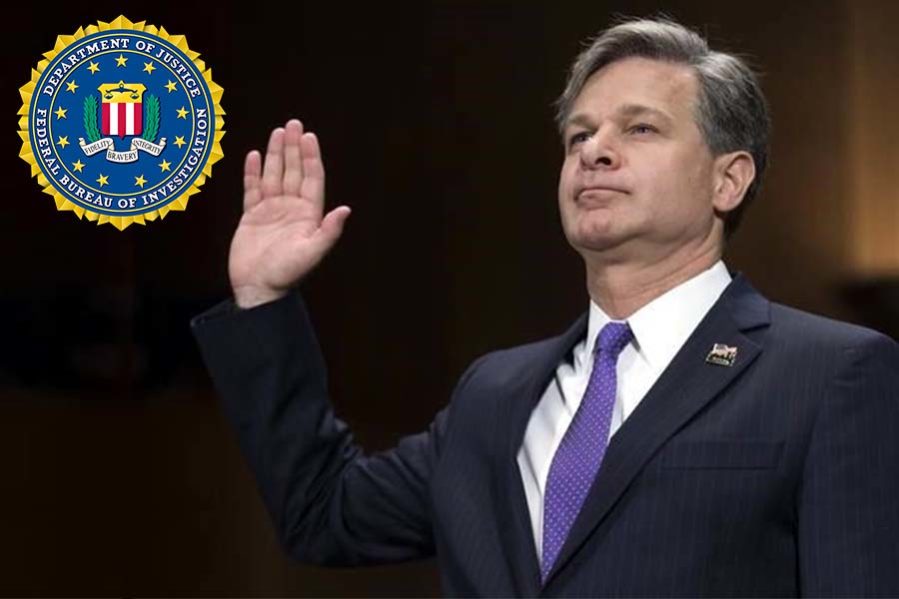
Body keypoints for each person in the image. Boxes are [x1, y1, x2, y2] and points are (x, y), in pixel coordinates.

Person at [191, 16, 899, 597]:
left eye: (639, 129)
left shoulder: (827, 372)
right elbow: (324, 513)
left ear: (727, 179)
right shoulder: (493, 395)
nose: (595, 151)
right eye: (578, 136)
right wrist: (263, 298)